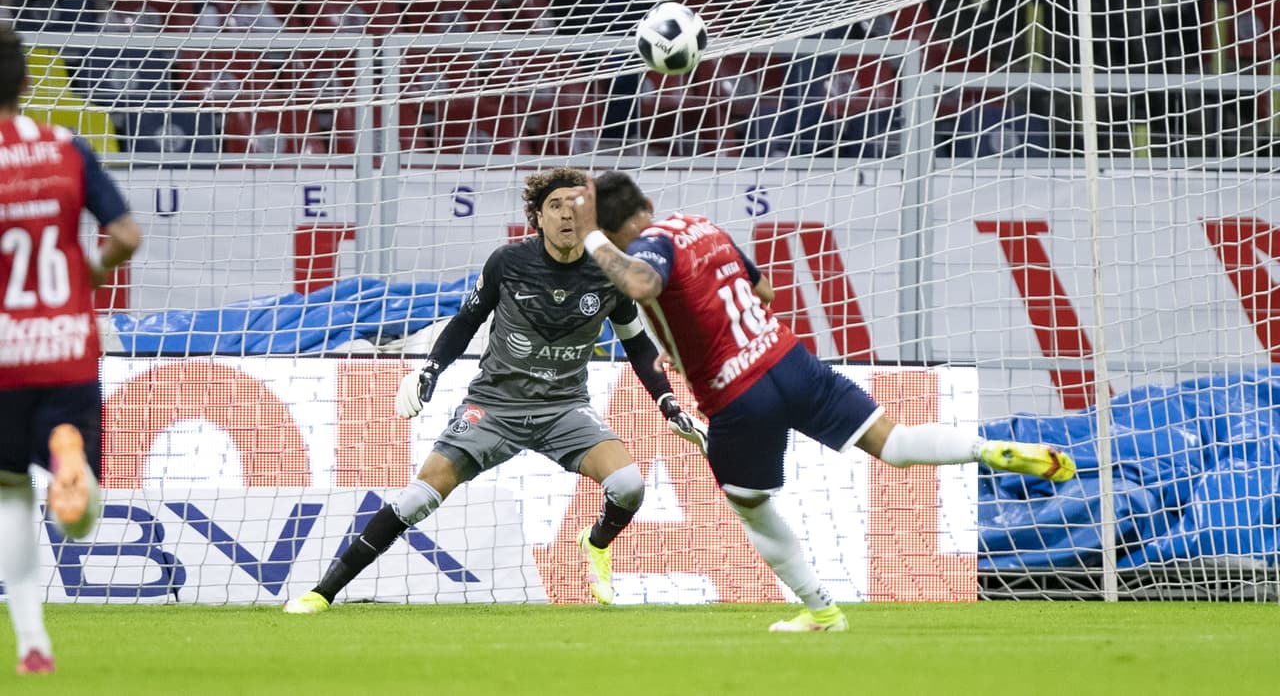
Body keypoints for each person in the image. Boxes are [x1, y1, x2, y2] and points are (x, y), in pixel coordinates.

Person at [570, 171, 1077, 633]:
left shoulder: (648, 246)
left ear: (615, 234)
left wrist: (591, 235)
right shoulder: (701, 224)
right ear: (648, 202)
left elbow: (640, 281)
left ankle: (822, 612)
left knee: (752, 507)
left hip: (738, 394)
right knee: (894, 443)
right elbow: (763, 293)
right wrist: (696, 343)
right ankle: (985, 450)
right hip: (790, 360)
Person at [284, 167, 705, 614]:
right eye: (554, 206)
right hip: (493, 407)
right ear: (537, 218)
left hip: (564, 409)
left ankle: (595, 543)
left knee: (630, 486)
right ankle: (322, 592)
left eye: (575, 206)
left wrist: (668, 402)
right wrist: (428, 371)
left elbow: (637, 345)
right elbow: (466, 322)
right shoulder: (508, 263)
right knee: (417, 499)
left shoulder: (608, 275)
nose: (566, 214)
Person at [0, 26, 142, 675]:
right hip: (66, 347)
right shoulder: (64, 147)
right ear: (27, 84)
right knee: (80, 519)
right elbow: (127, 234)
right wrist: (88, 270)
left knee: (9, 500)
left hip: (3, 357)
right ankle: (67, 451)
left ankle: (34, 643)